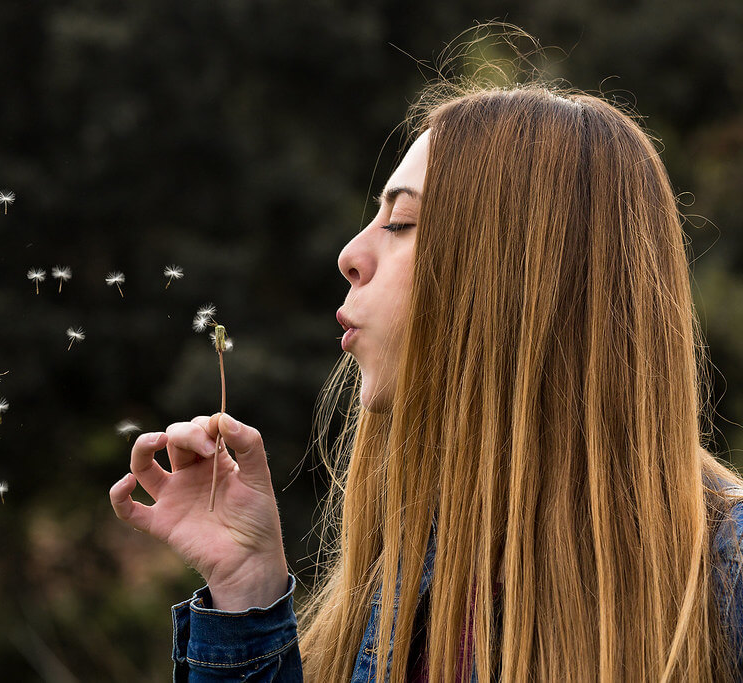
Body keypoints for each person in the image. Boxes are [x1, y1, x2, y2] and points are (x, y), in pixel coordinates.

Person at [109, 76, 743, 681]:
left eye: (401, 223)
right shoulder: (406, 583)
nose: (350, 256)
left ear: (521, 278)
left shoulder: (724, 576)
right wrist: (246, 588)